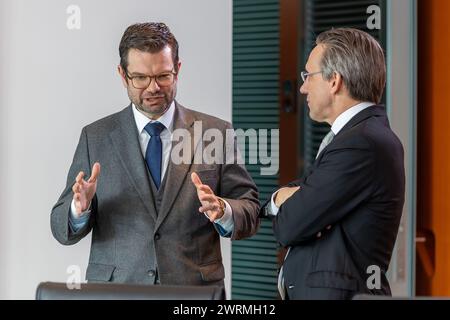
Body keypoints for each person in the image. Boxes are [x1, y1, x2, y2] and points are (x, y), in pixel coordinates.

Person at [51, 22, 260, 287]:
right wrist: (78, 209)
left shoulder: (216, 132)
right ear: (122, 75)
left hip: (192, 292)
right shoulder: (96, 137)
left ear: (178, 70)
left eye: (163, 76)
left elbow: (250, 210)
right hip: (118, 291)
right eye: (140, 78)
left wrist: (223, 209)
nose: (153, 88)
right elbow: (61, 229)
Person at [261, 28, 405, 300]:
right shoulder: (355, 138)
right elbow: (311, 194)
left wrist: (280, 198)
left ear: (334, 80)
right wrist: (304, 196)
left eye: (308, 76)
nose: (302, 87)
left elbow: (291, 226)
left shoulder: (361, 143)